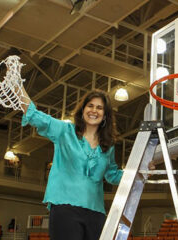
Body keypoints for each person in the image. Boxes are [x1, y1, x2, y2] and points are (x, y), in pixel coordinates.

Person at [20, 88, 125, 240]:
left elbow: (113, 175)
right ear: (82, 110)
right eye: (90, 105)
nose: (94, 110)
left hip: (96, 213)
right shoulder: (65, 131)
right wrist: (17, 84)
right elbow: (35, 116)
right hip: (65, 208)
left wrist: (141, 169)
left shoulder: (108, 146)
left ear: (105, 116)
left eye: (99, 107)